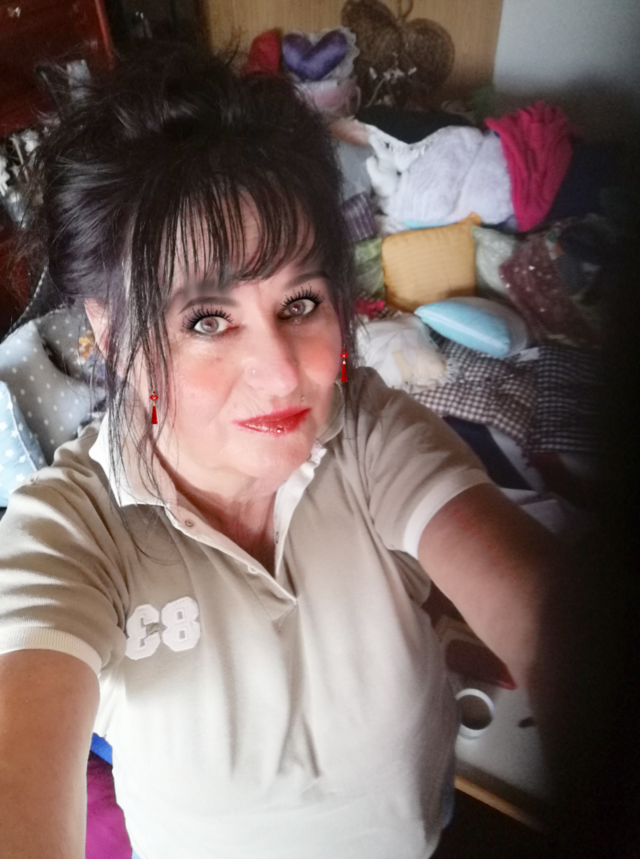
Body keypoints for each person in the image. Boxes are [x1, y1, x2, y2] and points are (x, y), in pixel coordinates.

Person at [0, 46, 557, 859]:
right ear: (114, 337)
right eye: (208, 320)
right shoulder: (70, 528)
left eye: (300, 303)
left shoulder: (366, 429)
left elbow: (548, 612)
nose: (284, 372)